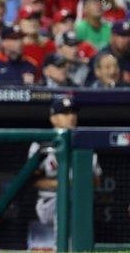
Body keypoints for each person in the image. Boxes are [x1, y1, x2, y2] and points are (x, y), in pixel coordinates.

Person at [28, 97, 102, 236]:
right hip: (48, 202)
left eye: (73, 112)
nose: (71, 117)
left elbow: (97, 181)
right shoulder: (41, 144)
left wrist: (76, 184)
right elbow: (33, 180)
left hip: (79, 201)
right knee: (64, 203)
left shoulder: (85, 143)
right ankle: (61, 248)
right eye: (65, 113)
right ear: (53, 119)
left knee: (74, 203)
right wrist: (64, 184)